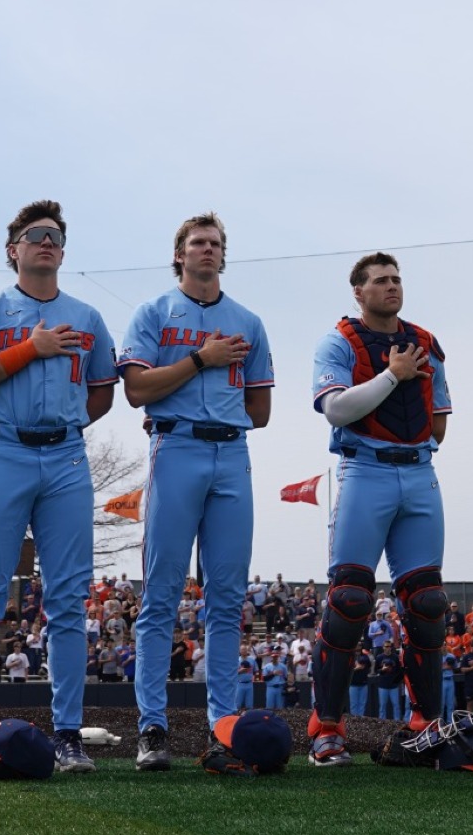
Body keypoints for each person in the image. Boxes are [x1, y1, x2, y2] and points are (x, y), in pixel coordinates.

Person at [0, 200, 118, 779]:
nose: (47, 242)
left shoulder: (86, 317)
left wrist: (62, 426)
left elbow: (103, 392)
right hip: (3, 451)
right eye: (35, 235)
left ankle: (67, 736)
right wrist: (27, 350)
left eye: (56, 236)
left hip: (63, 456)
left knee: (66, 602)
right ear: (13, 249)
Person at [118, 213, 273, 771]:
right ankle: (153, 729)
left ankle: (222, 729)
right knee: (161, 596)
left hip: (231, 453)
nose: (207, 250)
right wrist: (200, 361)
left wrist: (208, 390)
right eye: (197, 243)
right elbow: (135, 390)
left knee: (227, 601)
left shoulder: (248, 321)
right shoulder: (154, 312)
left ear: (223, 255)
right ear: (179, 254)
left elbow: (261, 411)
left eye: (215, 243)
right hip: (176, 447)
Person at [304, 253, 455, 768]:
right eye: (380, 281)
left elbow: (439, 424)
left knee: (428, 603)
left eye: (396, 279)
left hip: (418, 471)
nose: (392, 286)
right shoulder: (338, 341)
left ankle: (425, 725)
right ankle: (326, 728)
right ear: (358, 291)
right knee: (348, 598)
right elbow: (336, 409)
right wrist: (392, 377)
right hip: (364, 470)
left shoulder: (427, 342)